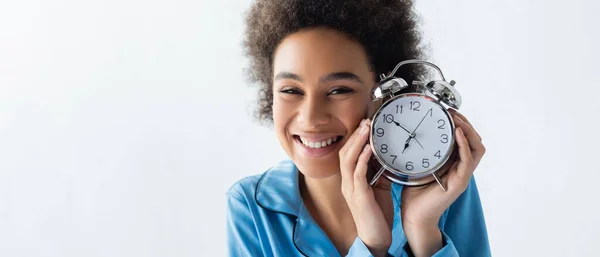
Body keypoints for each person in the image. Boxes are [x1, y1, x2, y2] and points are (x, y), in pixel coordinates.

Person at [226, 0, 491, 256]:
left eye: (339, 90)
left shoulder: (442, 183)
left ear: (384, 97)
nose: (310, 118)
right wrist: (371, 247)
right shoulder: (251, 206)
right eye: (290, 90)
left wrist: (422, 231)